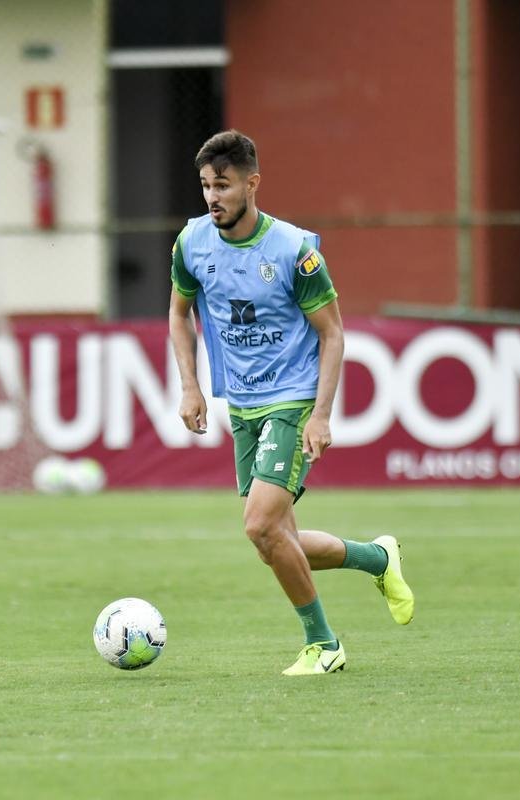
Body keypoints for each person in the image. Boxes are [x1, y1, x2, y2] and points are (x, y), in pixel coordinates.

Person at [168, 130, 414, 676]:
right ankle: (378, 558)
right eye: (206, 185)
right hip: (243, 406)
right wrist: (189, 385)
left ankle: (323, 646)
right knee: (278, 538)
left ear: (252, 183)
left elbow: (333, 334)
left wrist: (321, 414)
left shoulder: (292, 252)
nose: (213, 196)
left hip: (293, 399)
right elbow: (179, 313)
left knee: (259, 526)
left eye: (224, 185)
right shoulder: (192, 243)